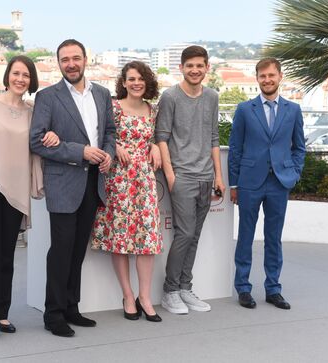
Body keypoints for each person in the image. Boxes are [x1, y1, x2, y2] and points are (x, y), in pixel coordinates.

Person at [0, 55, 59, 344]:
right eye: (16, 73)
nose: (20, 79)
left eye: (26, 75)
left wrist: (52, 136)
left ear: (31, 80)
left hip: (17, 193)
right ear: (7, 76)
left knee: (8, 256)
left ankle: (1, 313)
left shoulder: (33, 112)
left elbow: (38, 144)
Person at [30, 39, 116, 338]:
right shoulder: (48, 97)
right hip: (64, 184)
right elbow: (37, 140)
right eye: (64, 59)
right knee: (61, 251)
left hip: (94, 183)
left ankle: (71, 307)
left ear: (85, 60)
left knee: (78, 250)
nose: (70, 64)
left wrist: (108, 154)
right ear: (59, 63)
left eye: (75, 58)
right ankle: (53, 314)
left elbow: (109, 132)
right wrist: (80, 151)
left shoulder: (102, 94)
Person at [228, 57, 305, 310]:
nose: (267, 80)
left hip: (279, 183)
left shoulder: (292, 110)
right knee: (246, 237)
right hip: (250, 182)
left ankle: (273, 289)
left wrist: (293, 173)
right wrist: (234, 185)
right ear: (257, 78)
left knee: (274, 238)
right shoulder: (244, 109)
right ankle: (243, 287)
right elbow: (236, 149)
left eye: (271, 75)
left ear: (280, 76)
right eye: (262, 76)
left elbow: (299, 148)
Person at [156, 45, 225, 315]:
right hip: (182, 176)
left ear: (207, 67)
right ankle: (170, 291)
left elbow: (214, 138)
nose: (195, 70)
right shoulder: (170, 96)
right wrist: (171, 176)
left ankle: (185, 287)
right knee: (184, 234)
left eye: (200, 65)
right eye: (190, 66)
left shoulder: (212, 96)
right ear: (181, 68)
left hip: (206, 176)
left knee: (194, 235)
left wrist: (219, 175)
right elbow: (161, 137)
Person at [91, 61, 163, 322]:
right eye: (131, 79)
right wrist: (116, 145)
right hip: (118, 180)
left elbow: (155, 138)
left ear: (147, 82)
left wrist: (154, 146)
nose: (136, 83)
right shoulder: (113, 108)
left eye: (140, 79)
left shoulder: (152, 110)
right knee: (120, 239)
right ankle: (128, 295)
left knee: (147, 240)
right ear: (123, 82)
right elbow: (99, 135)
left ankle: (145, 296)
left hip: (144, 180)